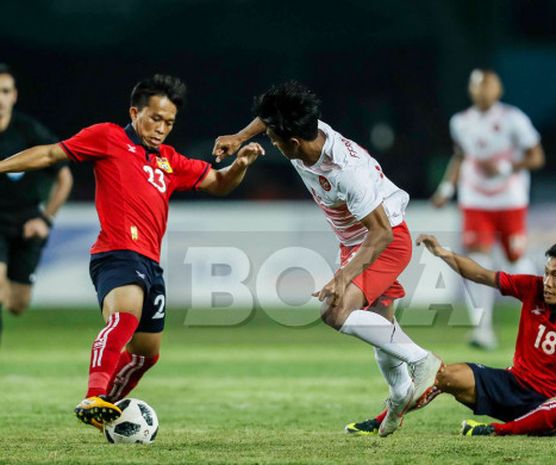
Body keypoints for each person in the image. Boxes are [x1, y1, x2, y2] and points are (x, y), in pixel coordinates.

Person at [0, 74, 264, 429]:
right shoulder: (107, 137)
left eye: (169, 122)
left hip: (151, 263)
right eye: (155, 118)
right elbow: (50, 153)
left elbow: (218, 183)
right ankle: (93, 394)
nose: (161, 128)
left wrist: (240, 166)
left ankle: (103, 407)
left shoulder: (169, 161)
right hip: (116, 253)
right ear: (135, 112)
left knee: (145, 355)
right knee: (124, 317)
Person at [213, 81, 443, 437]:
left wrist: (341, 277)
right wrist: (240, 136)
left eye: (274, 140)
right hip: (357, 242)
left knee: (336, 310)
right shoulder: (305, 134)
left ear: (292, 143)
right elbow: (273, 113)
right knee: (380, 326)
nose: (271, 142)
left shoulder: (345, 172)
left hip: (386, 240)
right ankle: (398, 400)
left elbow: (381, 234)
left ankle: (423, 361)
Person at [346, 237, 556, 437]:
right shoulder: (532, 287)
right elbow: (483, 276)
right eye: (547, 273)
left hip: (551, 406)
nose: (548, 282)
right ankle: (383, 419)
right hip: (512, 385)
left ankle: (498, 431)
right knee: (444, 375)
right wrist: (445, 254)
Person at [431, 69, 545, 350]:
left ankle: (539, 317)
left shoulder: (513, 119)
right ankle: (482, 330)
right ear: (470, 90)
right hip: (475, 201)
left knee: (515, 260)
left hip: (510, 200)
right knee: (478, 261)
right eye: (477, 85)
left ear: (498, 89)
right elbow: (460, 156)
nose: (482, 90)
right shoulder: (460, 122)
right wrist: (447, 188)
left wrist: (507, 167)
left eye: (487, 85)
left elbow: (537, 156)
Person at [0, 64, 72, 343]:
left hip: (27, 222)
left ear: (14, 95)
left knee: (17, 304)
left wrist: (45, 219)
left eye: (5, 91)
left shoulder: (29, 131)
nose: (0, 98)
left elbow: (64, 178)